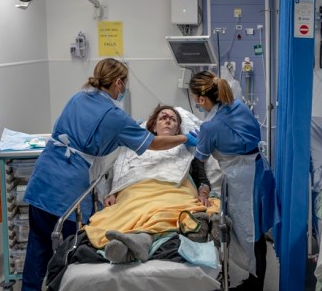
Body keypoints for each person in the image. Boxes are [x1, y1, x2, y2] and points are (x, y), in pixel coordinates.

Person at [22, 58, 197, 291]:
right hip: (68, 186)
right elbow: (153, 143)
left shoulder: (78, 97)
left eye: (172, 119)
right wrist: (184, 138)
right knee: (66, 250)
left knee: (37, 247)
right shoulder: (116, 117)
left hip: (45, 175)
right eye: (124, 83)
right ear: (117, 83)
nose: (124, 89)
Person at [83, 104, 219, 263]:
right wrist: (113, 192)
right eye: (163, 118)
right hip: (137, 191)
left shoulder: (187, 146)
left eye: (172, 119)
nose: (168, 121)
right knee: (132, 210)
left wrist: (203, 192)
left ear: (178, 129)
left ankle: (138, 242)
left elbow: (200, 174)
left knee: (162, 210)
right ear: (153, 127)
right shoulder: (135, 146)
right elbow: (120, 171)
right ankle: (137, 243)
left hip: (174, 190)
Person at [189, 71, 277, 291]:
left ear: (201, 99)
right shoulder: (238, 105)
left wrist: (203, 187)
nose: (196, 105)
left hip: (242, 182)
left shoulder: (209, 128)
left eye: (195, 100)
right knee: (256, 233)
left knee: (249, 234)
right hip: (259, 171)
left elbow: (198, 161)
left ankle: (255, 284)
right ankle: (253, 279)